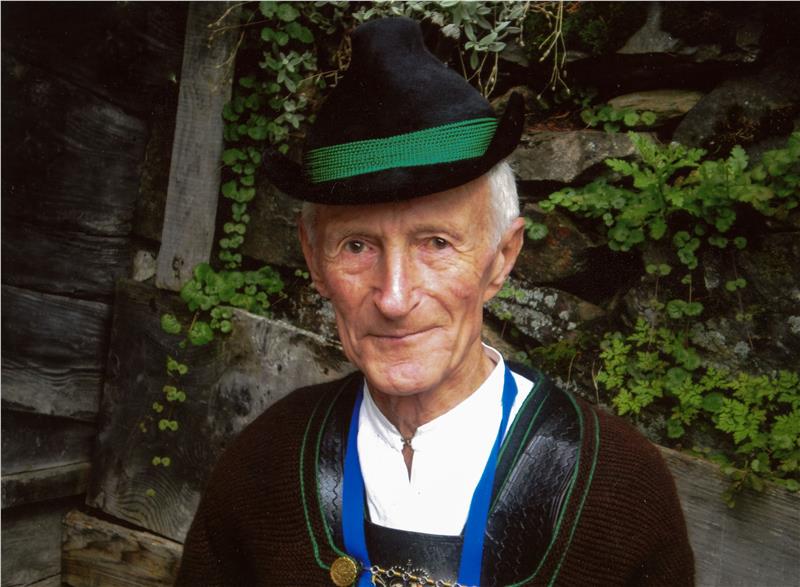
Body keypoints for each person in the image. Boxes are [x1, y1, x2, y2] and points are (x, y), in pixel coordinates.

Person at [176, 17, 694, 587]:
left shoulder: (618, 486)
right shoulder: (262, 465)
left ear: (502, 256)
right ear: (314, 258)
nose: (395, 298)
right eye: (357, 246)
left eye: (437, 243)